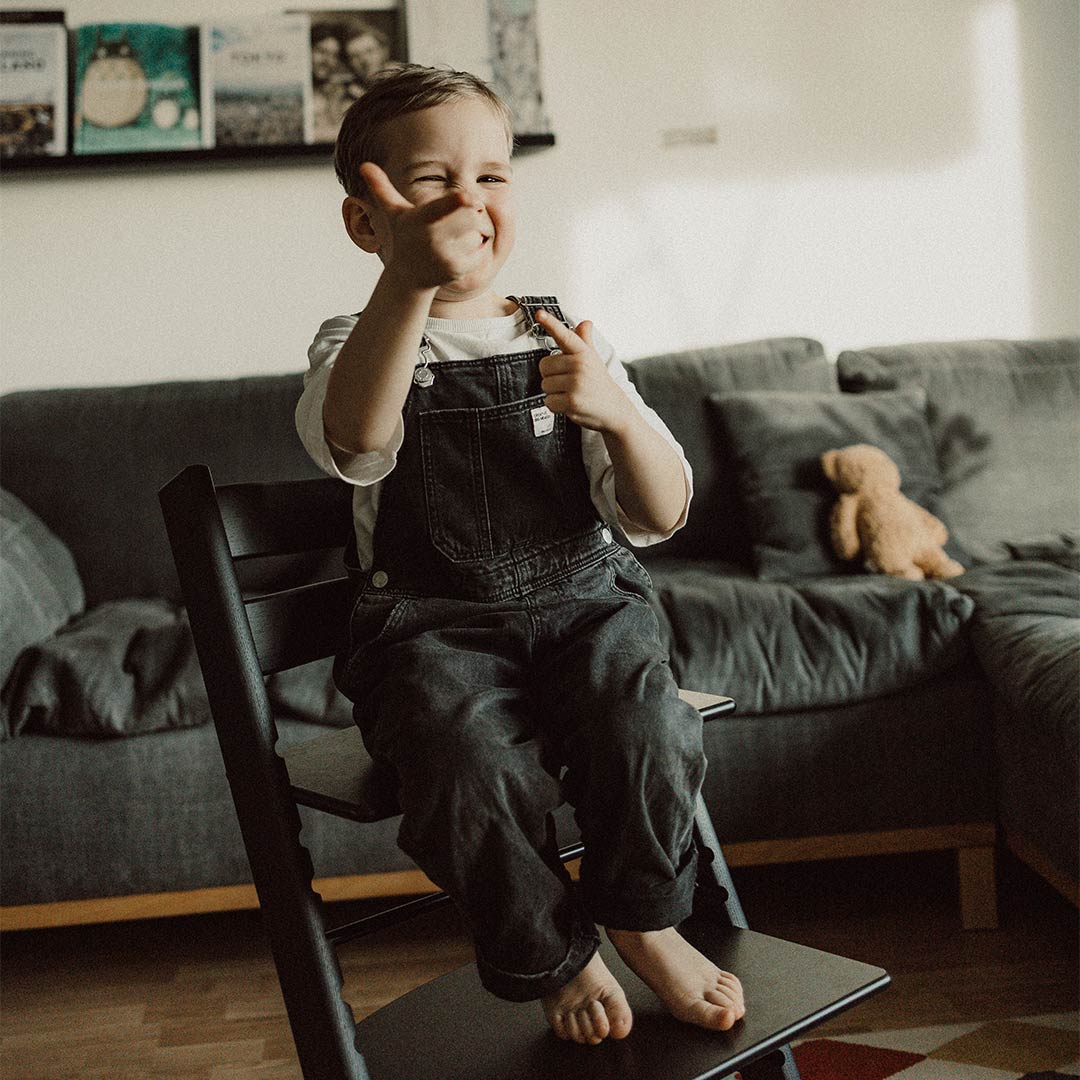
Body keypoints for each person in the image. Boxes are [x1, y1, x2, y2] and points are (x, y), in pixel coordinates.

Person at [295, 63, 746, 1046]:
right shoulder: (357, 341)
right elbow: (358, 442)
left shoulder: (568, 339)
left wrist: (617, 412)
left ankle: (642, 912)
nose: (467, 199)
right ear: (365, 221)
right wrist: (407, 285)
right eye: (429, 181)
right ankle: (553, 949)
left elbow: (660, 512)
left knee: (651, 729)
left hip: (589, 610)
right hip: (432, 630)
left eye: (492, 175)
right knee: (464, 769)